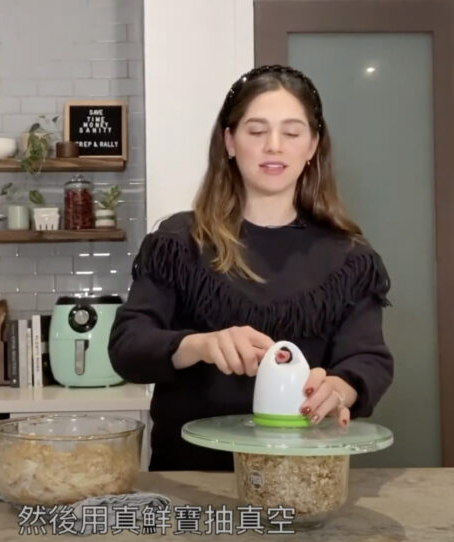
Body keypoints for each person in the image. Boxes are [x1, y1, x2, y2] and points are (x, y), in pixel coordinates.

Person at [108, 65, 393, 472]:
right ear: (229, 141)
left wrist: (341, 388)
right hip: (192, 479)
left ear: (312, 146)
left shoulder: (350, 258)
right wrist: (201, 345)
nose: (273, 146)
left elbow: (369, 359)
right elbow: (128, 347)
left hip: (305, 476)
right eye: (256, 131)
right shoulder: (178, 243)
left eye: (291, 133)